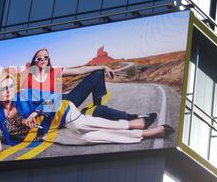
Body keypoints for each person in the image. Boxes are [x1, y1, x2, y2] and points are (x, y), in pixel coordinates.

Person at [0, 73, 174, 154]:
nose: (8, 90)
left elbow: (55, 98)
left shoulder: (24, 95)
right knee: (91, 137)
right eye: (3, 87)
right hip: (49, 134)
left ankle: (136, 124)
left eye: (10, 86)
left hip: (62, 113)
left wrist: (37, 112)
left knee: (83, 125)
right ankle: (142, 134)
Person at [22, 48, 157, 125]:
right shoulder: (29, 77)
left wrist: (104, 66)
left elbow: (79, 70)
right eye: (39, 58)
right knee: (57, 98)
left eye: (46, 56)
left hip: (64, 99)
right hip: (50, 108)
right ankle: (131, 117)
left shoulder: (53, 70)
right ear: (35, 61)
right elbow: (24, 100)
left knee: (97, 74)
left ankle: (97, 107)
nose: (43, 60)